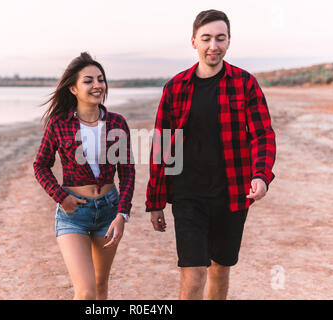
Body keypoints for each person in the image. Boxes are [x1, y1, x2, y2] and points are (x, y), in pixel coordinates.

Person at [145, 9, 276, 300]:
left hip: (232, 194)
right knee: (193, 274)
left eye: (220, 38)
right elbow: (162, 146)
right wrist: (155, 201)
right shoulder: (176, 87)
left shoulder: (245, 83)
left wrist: (261, 175)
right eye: (206, 38)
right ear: (193, 41)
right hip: (188, 196)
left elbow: (262, 135)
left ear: (228, 41)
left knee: (220, 268)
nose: (213, 45)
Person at [34, 52, 135, 300]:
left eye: (100, 79)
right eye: (88, 80)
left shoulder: (117, 123)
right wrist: (61, 197)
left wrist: (122, 213)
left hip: (109, 211)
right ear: (73, 88)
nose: (97, 85)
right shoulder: (59, 124)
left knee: (101, 286)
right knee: (86, 292)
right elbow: (41, 165)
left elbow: (127, 171)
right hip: (73, 215)